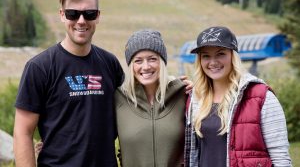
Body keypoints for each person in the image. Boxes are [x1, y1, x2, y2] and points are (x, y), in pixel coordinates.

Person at [13, 0, 124, 167]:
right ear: (62, 15)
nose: (81, 21)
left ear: (98, 16)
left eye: (89, 14)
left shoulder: (110, 63)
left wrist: (174, 88)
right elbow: (22, 132)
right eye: (73, 14)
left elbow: (136, 106)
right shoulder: (40, 67)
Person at [185, 26, 292, 167]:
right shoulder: (195, 98)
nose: (213, 62)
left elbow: (280, 157)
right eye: (206, 56)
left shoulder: (261, 96)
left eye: (220, 54)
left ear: (233, 56)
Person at [115, 29, 189, 167]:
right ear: (131, 66)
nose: (146, 66)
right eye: (138, 61)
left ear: (162, 62)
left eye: (152, 59)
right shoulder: (118, 99)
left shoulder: (183, 94)